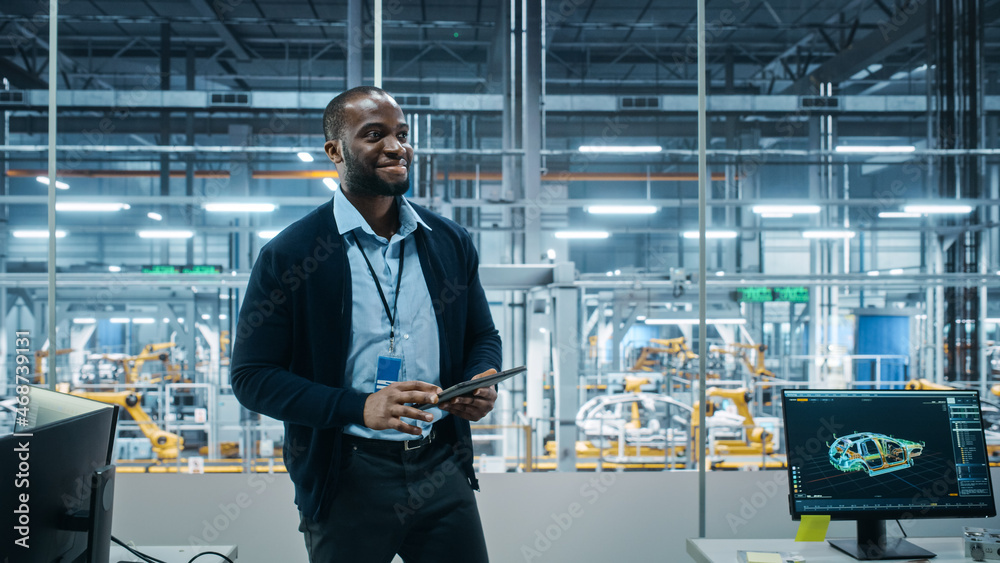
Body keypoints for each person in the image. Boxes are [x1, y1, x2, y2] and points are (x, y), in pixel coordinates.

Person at [230, 86, 501, 562]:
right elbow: (252, 378)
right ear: (334, 151)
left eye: (401, 134)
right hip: (346, 475)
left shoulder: (448, 243)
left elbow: (483, 336)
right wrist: (360, 408)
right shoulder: (292, 255)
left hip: (442, 465)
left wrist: (480, 378)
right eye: (374, 135)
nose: (396, 147)